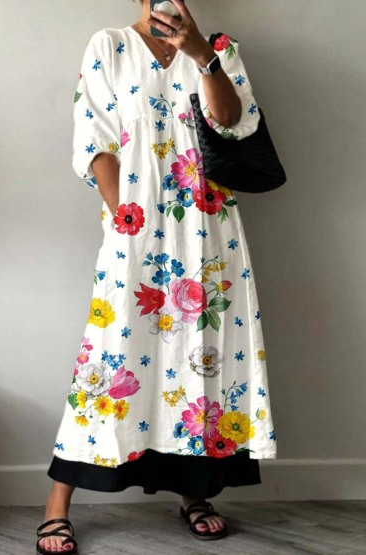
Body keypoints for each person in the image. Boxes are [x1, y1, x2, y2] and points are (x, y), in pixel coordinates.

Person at [36, 0, 277, 552]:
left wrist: (202, 55)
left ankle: (194, 492)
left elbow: (234, 122)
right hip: (136, 227)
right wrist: (124, 217)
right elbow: (94, 139)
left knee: (201, 354)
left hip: (208, 231)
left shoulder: (218, 49)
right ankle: (56, 503)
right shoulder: (110, 45)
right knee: (108, 356)